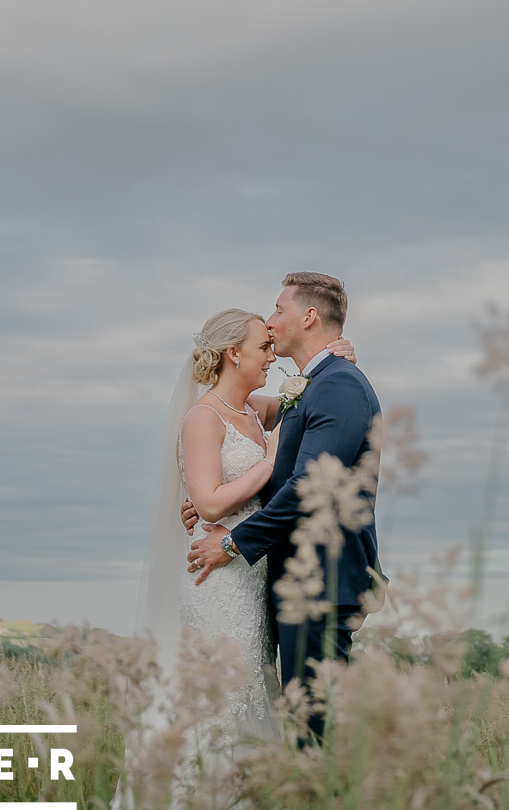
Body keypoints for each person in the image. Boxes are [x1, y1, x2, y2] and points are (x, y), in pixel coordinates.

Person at [135, 301, 357, 736]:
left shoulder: (255, 410)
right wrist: (269, 462)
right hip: (217, 577)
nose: (272, 358)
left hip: (251, 573)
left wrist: (340, 356)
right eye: (264, 349)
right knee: (224, 696)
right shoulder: (202, 417)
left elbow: (313, 397)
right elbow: (212, 504)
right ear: (234, 353)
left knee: (255, 686)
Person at [186, 272, 382, 705]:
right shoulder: (311, 388)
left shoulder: (338, 384)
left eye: (279, 309)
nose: (272, 323)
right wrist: (206, 501)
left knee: (310, 725)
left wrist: (235, 540)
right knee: (293, 720)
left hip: (321, 583)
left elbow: (311, 485)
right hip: (287, 580)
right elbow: (231, 423)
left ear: (309, 316)